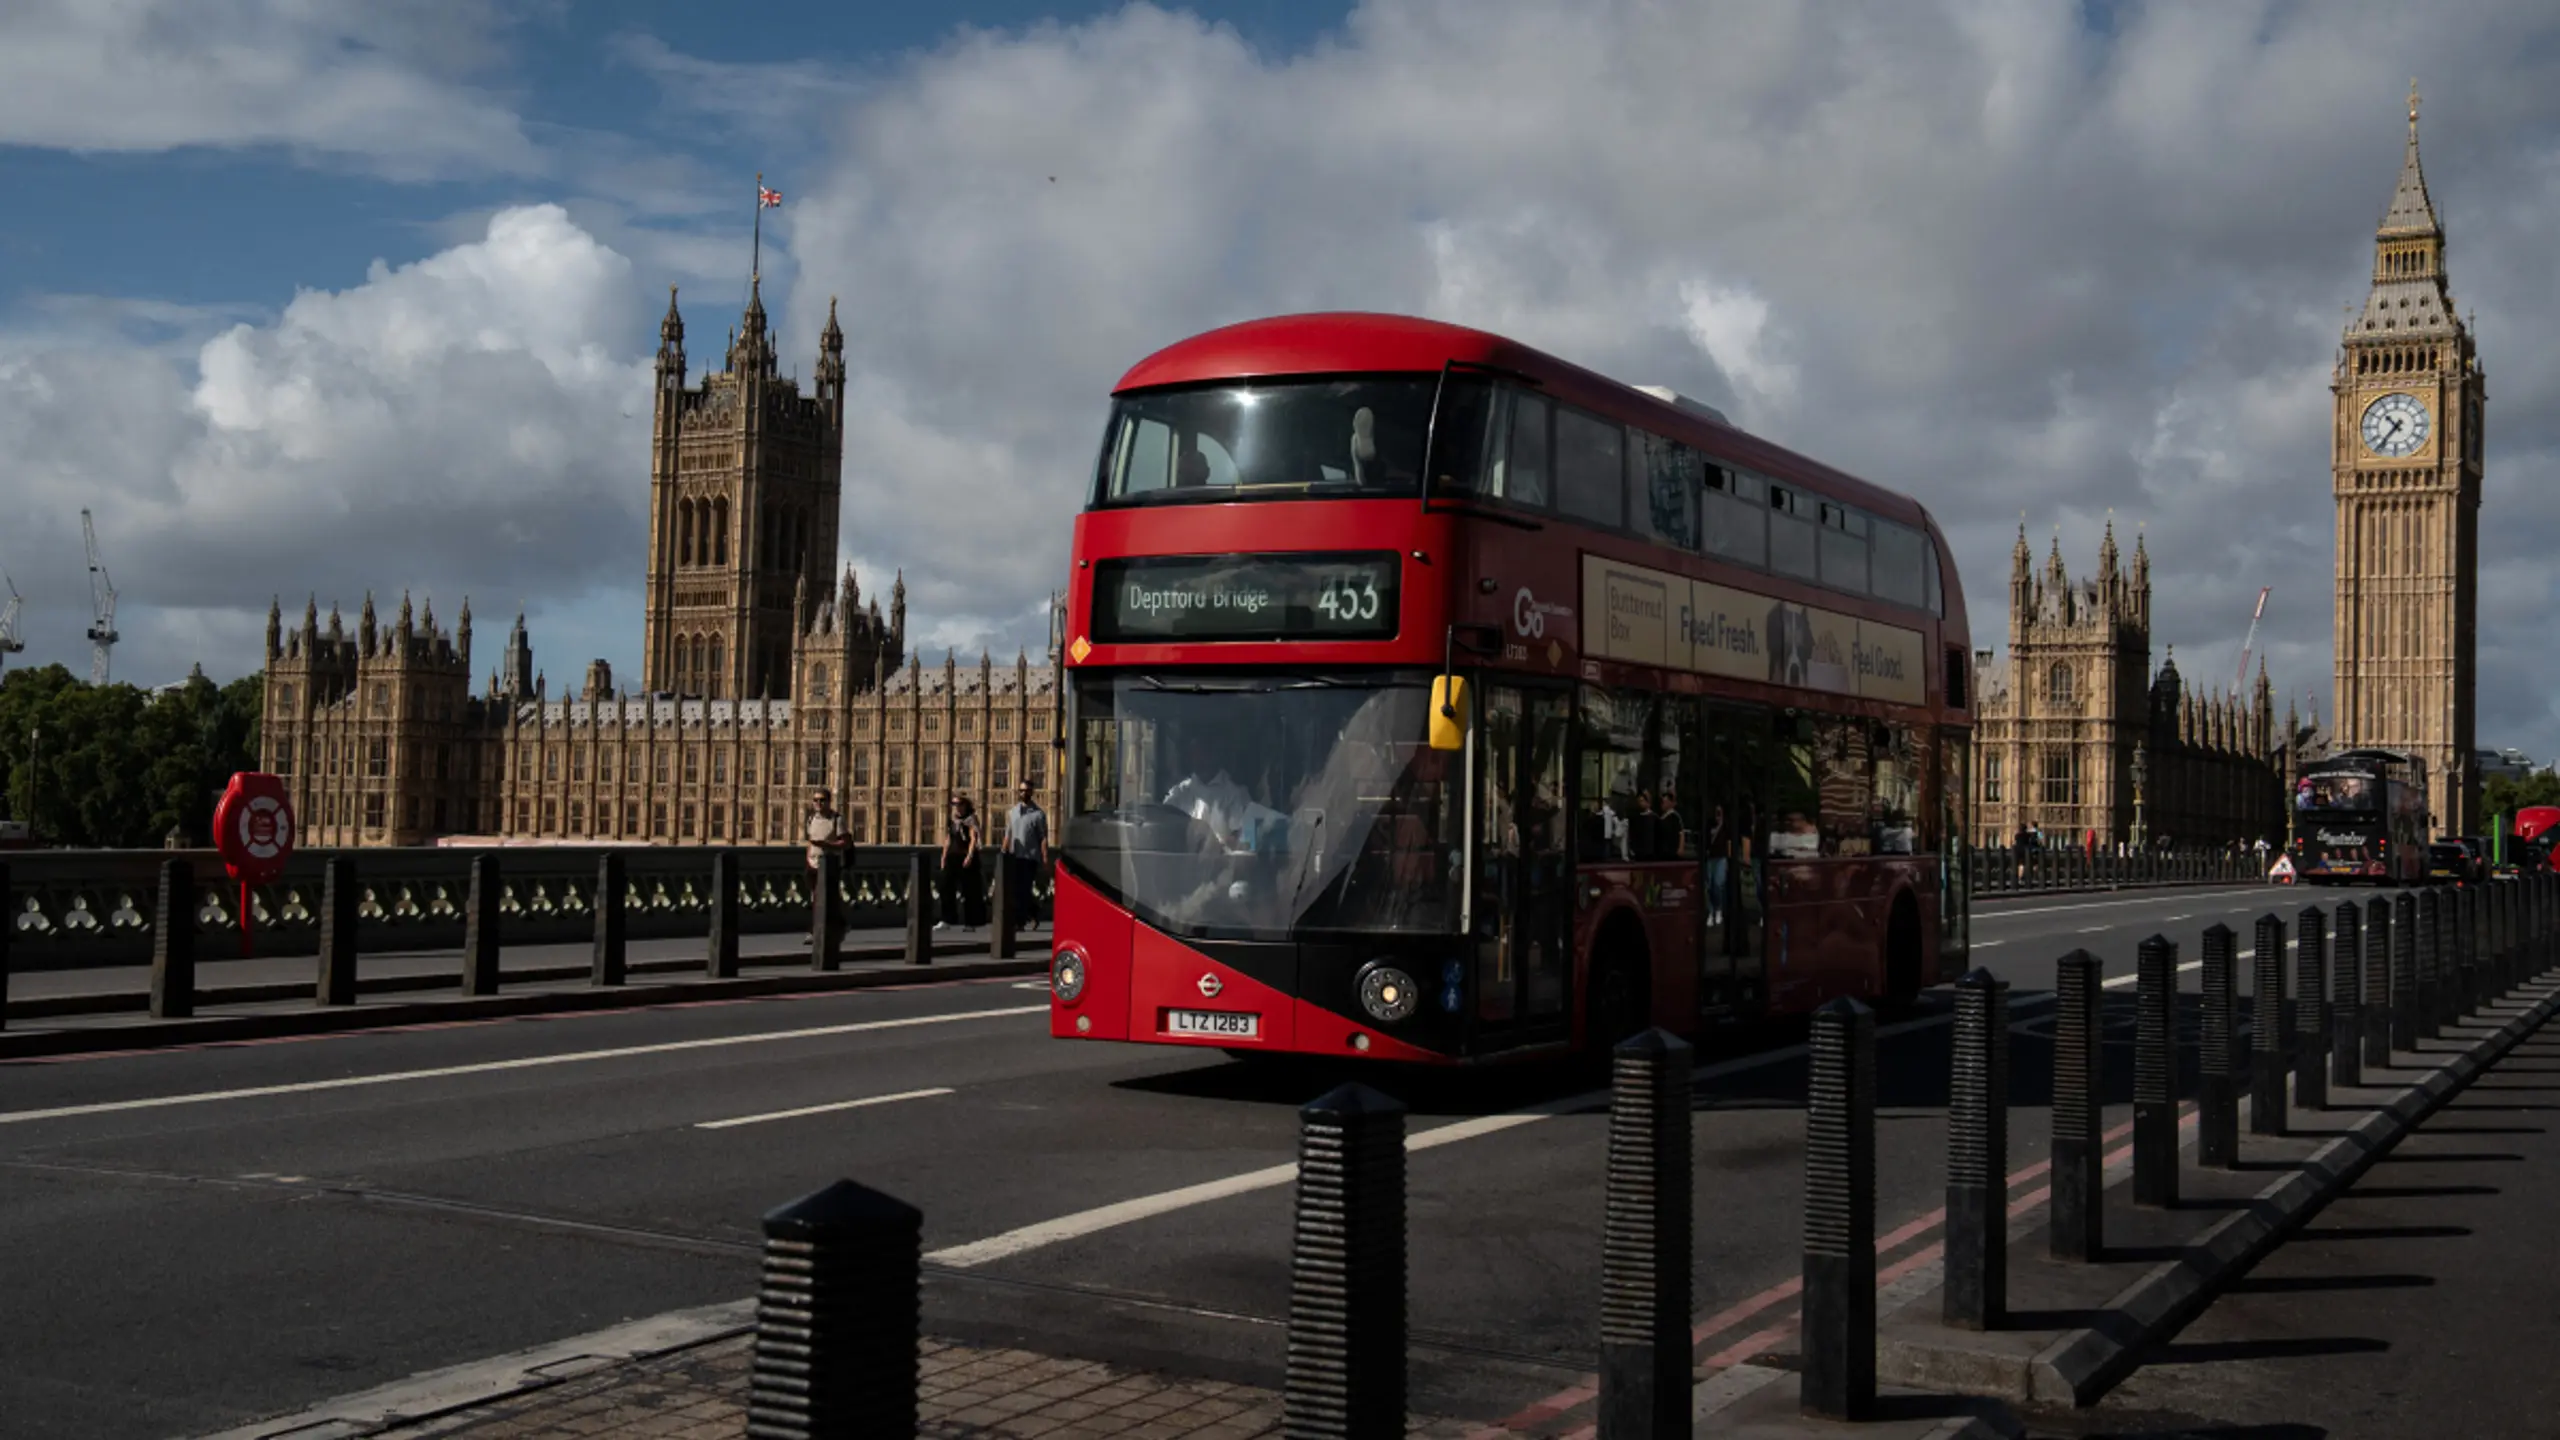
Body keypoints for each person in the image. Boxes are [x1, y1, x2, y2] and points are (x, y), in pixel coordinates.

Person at [1163, 735, 1253, 849]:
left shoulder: (1236, 794)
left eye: (1205, 753)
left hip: (1222, 863)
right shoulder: (1179, 792)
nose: (1200, 758)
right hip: (1181, 861)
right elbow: (1164, 825)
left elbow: (1243, 837)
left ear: (1216, 755)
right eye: (1195, 754)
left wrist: (1217, 847)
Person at [801, 789, 849, 946]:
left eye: (822, 800)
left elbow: (845, 842)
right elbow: (811, 841)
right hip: (812, 864)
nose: (818, 803)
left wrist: (827, 845)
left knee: (822, 898)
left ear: (829, 801)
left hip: (830, 864)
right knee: (816, 898)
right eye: (815, 800)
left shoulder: (837, 819)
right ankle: (840, 925)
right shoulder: (811, 819)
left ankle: (815, 931)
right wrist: (808, 858)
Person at [1002, 782, 1050, 928]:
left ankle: (1020, 922)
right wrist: (1002, 852)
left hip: (1030, 857)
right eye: (1021, 790)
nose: (1023, 793)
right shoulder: (1012, 812)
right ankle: (1033, 912)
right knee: (1017, 890)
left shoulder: (1038, 814)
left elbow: (1043, 837)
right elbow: (1008, 834)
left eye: (1027, 790)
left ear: (1031, 792)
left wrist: (1045, 857)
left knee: (1024, 888)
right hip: (1014, 856)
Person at [937, 794, 986, 931]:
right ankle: (947, 919)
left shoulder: (971, 819)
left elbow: (973, 839)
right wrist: (943, 857)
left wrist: (969, 856)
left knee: (969, 891)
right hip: (952, 857)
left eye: (959, 804)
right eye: (954, 804)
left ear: (965, 805)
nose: (956, 807)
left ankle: (970, 922)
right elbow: (948, 839)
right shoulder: (953, 820)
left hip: (966, 858)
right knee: (945, 887)